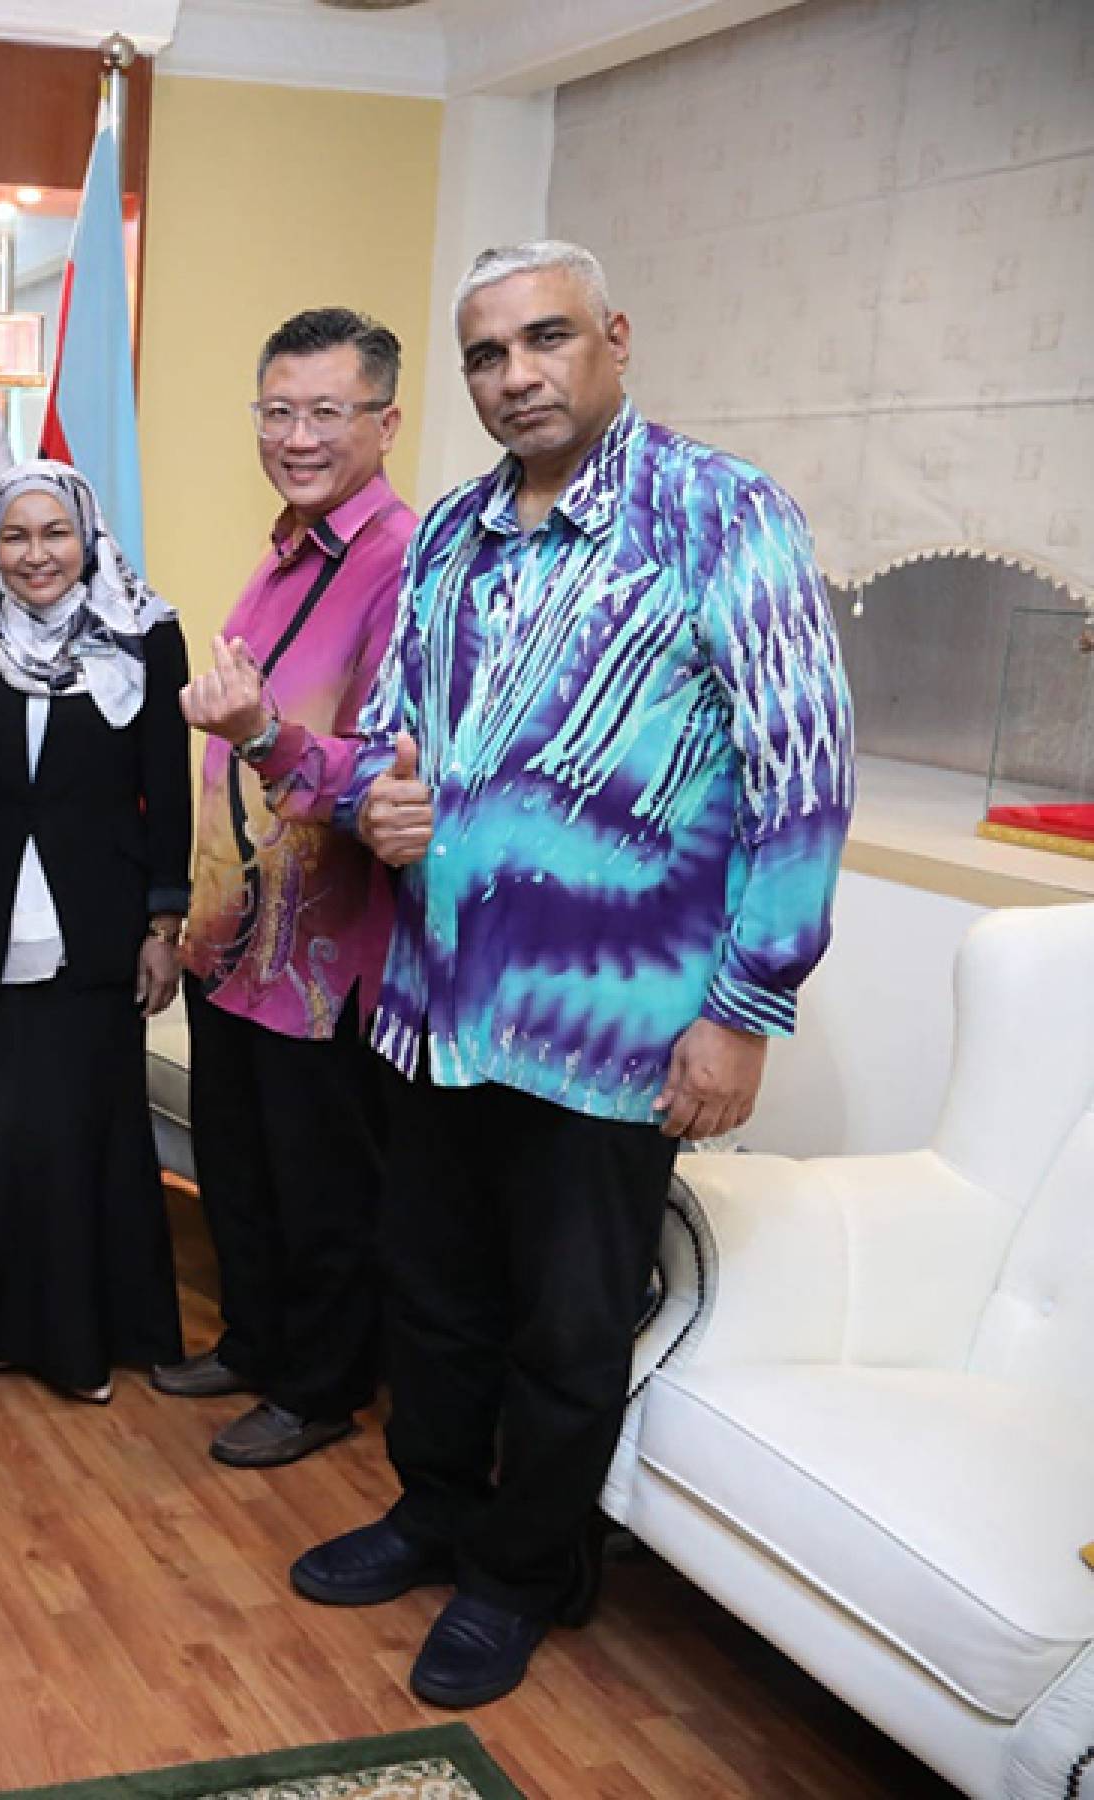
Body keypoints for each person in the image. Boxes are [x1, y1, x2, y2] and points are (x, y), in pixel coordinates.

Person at [290, 242, 854, 1708]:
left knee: (567, 1321)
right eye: (486, 354)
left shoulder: (722, 518)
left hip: (616, 1031)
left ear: (615, 338)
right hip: (439, 1011)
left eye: (544, 340)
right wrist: (375, 803)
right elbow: (391, 749)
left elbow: (804, 783)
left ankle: (521, 1573)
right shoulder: (455, 534)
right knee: (435, 1294)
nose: (515, 375)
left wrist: (745, 1012)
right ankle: (433, 1511)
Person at [157, 309, 414, 1469]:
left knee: (321, 1181)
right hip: (238, 934)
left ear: (385, 422)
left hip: (327, 947)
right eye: (277, 411)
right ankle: (257, 1343)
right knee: (243, 1161)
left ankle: (318, 1388)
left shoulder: (403, 561)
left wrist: (262, 734)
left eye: (325, 412)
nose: (296, 436)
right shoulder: (283, 551)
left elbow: (387, 763)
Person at [0, 461, 191, 1402]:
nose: (35, 554)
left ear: (87, 535)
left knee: (72, 1133)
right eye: (15, 536)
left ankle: (78, 1339)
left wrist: (164, 918)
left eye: (54, 533)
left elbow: (167, 788)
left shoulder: (147, 636)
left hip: (97, 924)